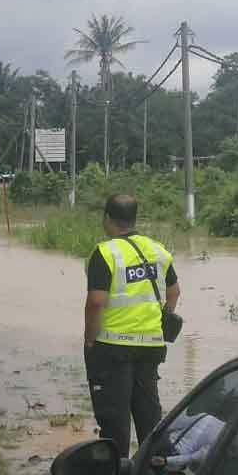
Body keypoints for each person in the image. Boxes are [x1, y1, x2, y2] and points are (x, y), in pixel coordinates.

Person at [84, 194, 180, 456]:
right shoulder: (158, 250)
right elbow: (174, 292)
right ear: (134, 218)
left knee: (114, 420)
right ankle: (155, 470)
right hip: (151, 344)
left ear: (107, 218)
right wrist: (162, 318)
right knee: (148, 415)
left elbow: (96, 301)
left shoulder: (106, 252)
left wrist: (90, 339)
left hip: (112, 345)